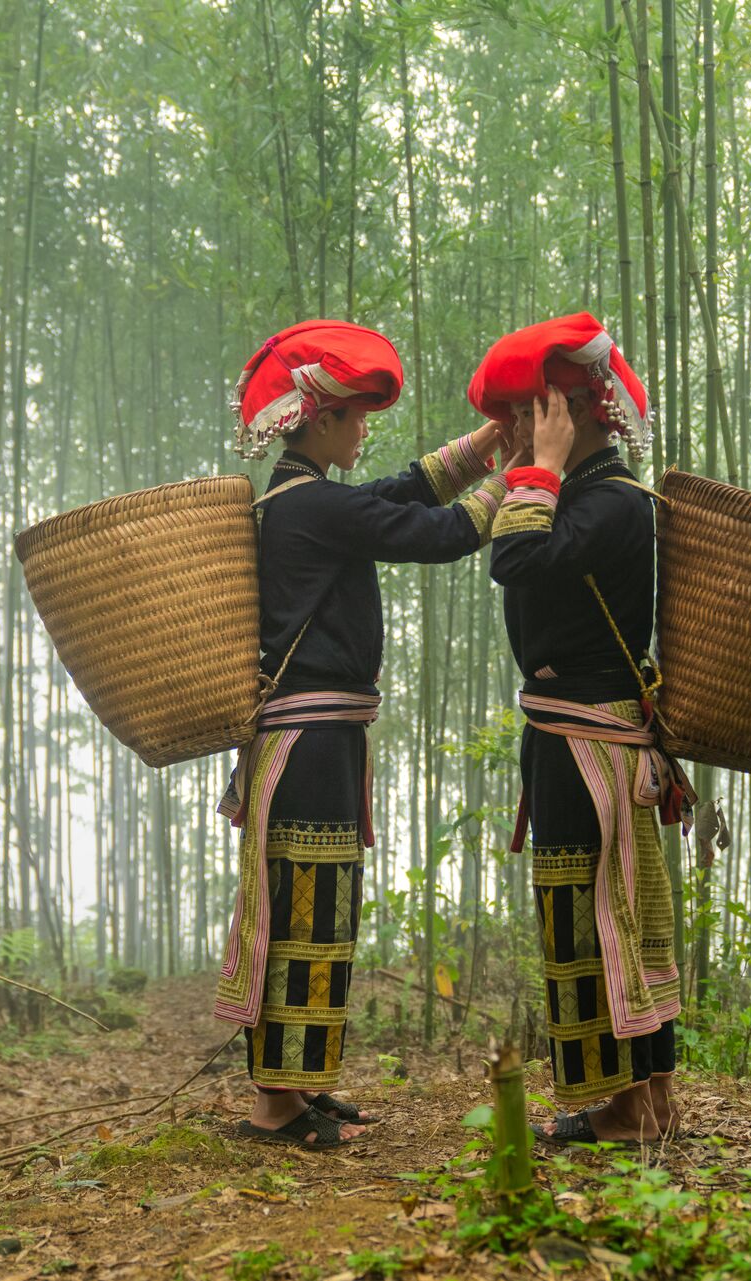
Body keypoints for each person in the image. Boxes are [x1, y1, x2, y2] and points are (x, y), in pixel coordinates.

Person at [219, 319, 508, 1150]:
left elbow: (396, 492)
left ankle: (297, 1084)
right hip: (307, 744)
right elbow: (443, 531)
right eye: (355, 416)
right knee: (303, 910)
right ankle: (275, 1105)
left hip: (318, 741)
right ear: (319, 419)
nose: (364, 428)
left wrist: (486, 446)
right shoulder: (309, 505)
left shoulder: (300, 496)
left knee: (318, 909)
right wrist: (532, 474)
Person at [470, 313, 688, 1146]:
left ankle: (634, 1105)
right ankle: (637, 1098)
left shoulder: (613, 503)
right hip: (566, 740)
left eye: (534, 410)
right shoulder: (581, 496)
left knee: (612, 919)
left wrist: (544, 467)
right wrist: (538, 467)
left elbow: (514, 559)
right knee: (597, 914)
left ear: (580, 409)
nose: (520, 430)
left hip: (592, 745)